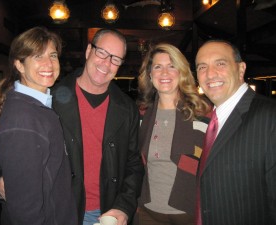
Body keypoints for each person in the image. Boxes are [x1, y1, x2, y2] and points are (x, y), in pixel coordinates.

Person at [0, 27, 78, 225]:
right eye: (37, 56)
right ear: (19, 64)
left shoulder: (37, 108)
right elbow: (25, 212)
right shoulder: (24, 119)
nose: (49, 64)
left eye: (52, 55)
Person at [51, 28, 144, 225]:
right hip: (58, 210)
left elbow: (134, 164)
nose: (107, 63)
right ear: (88, 51)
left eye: (116, 59)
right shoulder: (51, 99)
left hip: (105, 215)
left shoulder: (128, 109)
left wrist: (124, 206)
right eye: (102, 52)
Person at [195, 39, 276, 225]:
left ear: (241, 69)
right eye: (202, 67)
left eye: (220, 64)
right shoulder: (212, 119)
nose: (210, 74)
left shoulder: (270, 117)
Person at [135, 43, 211, 225]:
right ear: (150, 74)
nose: (164, 73)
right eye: (158, 67)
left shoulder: (202, 113)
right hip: (148, 212)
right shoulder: (142, 115)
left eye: (171, 66)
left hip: (190, 214)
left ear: (181, 71)